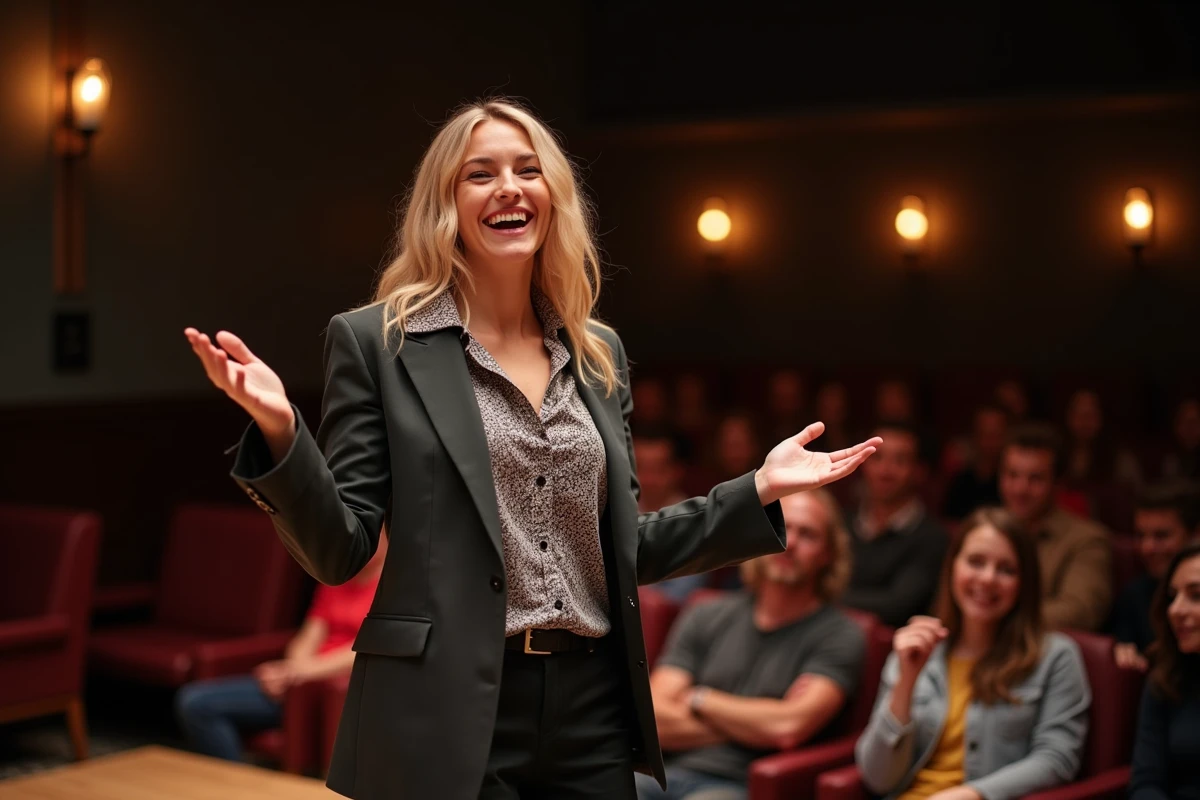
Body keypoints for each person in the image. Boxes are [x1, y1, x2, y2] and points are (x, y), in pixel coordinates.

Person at [183, 97, 881, 800]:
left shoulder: (597, 352)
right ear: (446, 204)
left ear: (552, 197)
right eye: (479, 174)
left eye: (527, 170)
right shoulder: (377, 342)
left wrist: (757, 488)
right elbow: (341, 550)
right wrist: (281, 431)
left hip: (590, 704)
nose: (509, 187)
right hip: (445, 702)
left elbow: (622, 550)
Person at [635, 489, 865, 800]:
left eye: (808, 534)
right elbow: (654, 720)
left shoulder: (842, 634)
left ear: (828, 553)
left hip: (739, 784)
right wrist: (755, 726)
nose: (789, 543)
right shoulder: (705, 612)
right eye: (780, 527)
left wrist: (698, 698)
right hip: (662, 773)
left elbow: (788, 726)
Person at [855, 508, 1091, 800]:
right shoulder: (916, 647)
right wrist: (906, 681)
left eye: (1006, 569)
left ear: (1024, 583)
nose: (988, 578)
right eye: (976, 562)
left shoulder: (1056, 657)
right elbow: (876, 777)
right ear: (953, 567)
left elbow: (1057, 760)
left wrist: (971, 794)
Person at [175, 531, 387, 762]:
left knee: (198, 704)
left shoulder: (395, 588)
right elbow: (308, 635)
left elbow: (369, 650)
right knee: (196, 702)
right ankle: (236, 787)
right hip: (297, 684)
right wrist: (292, 671)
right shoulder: (337, 578)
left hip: (337, 692)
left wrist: (297, 673)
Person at [998, 423, 1112, 631]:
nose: (1020, 489)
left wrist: (992, 614)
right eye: (1012, 475)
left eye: (1035, 478)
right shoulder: (987, 531)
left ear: (1057, 484)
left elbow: (1080, 612)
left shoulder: (1087, 539)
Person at [843, 420, 949, 628]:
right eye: (877, 458)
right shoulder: (841, 524)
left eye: (899, 461)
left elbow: (898, 605)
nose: (885, 471)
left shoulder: (933, 538)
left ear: (919, 471)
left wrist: (823, 598)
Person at [1129, 543, 1200, 799]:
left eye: (1196, 596)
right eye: (1172, 596)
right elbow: (1146, 781)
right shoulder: (1167, 676)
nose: (1175, 610)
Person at [1112, 482, 1200, 671]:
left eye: (1161, 536)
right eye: (1141, 535)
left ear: (1196, 534)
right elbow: (1124, 646)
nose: (1147, 548)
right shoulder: (1134, 595)